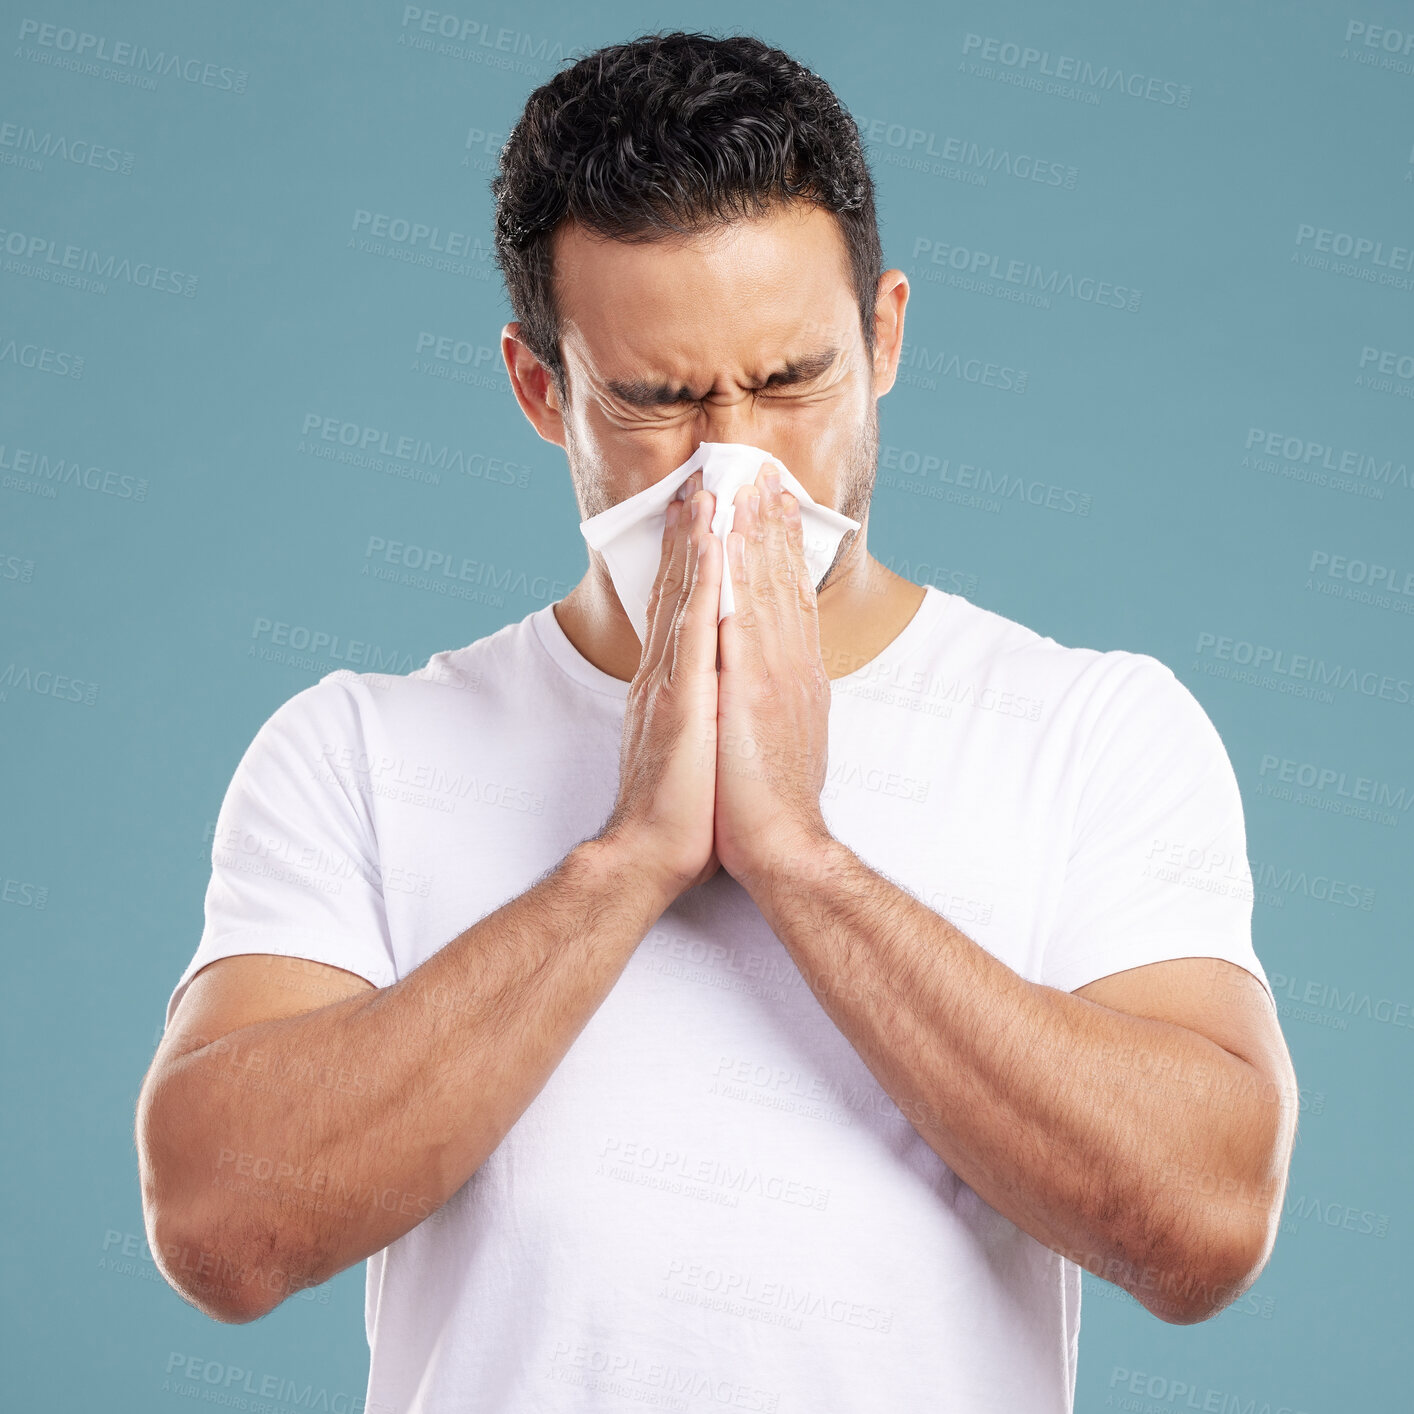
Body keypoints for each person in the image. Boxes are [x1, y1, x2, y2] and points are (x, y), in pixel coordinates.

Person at [136, 30, 1298, 1414]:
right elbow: (219, 1230)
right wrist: (627, 857)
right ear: (539, 387)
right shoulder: (358, 749)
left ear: (884, 338)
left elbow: (1203, 1230)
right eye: (661, 399)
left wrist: (798, 855)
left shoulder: (1092, 726)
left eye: (791, 380)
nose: (735, 458)